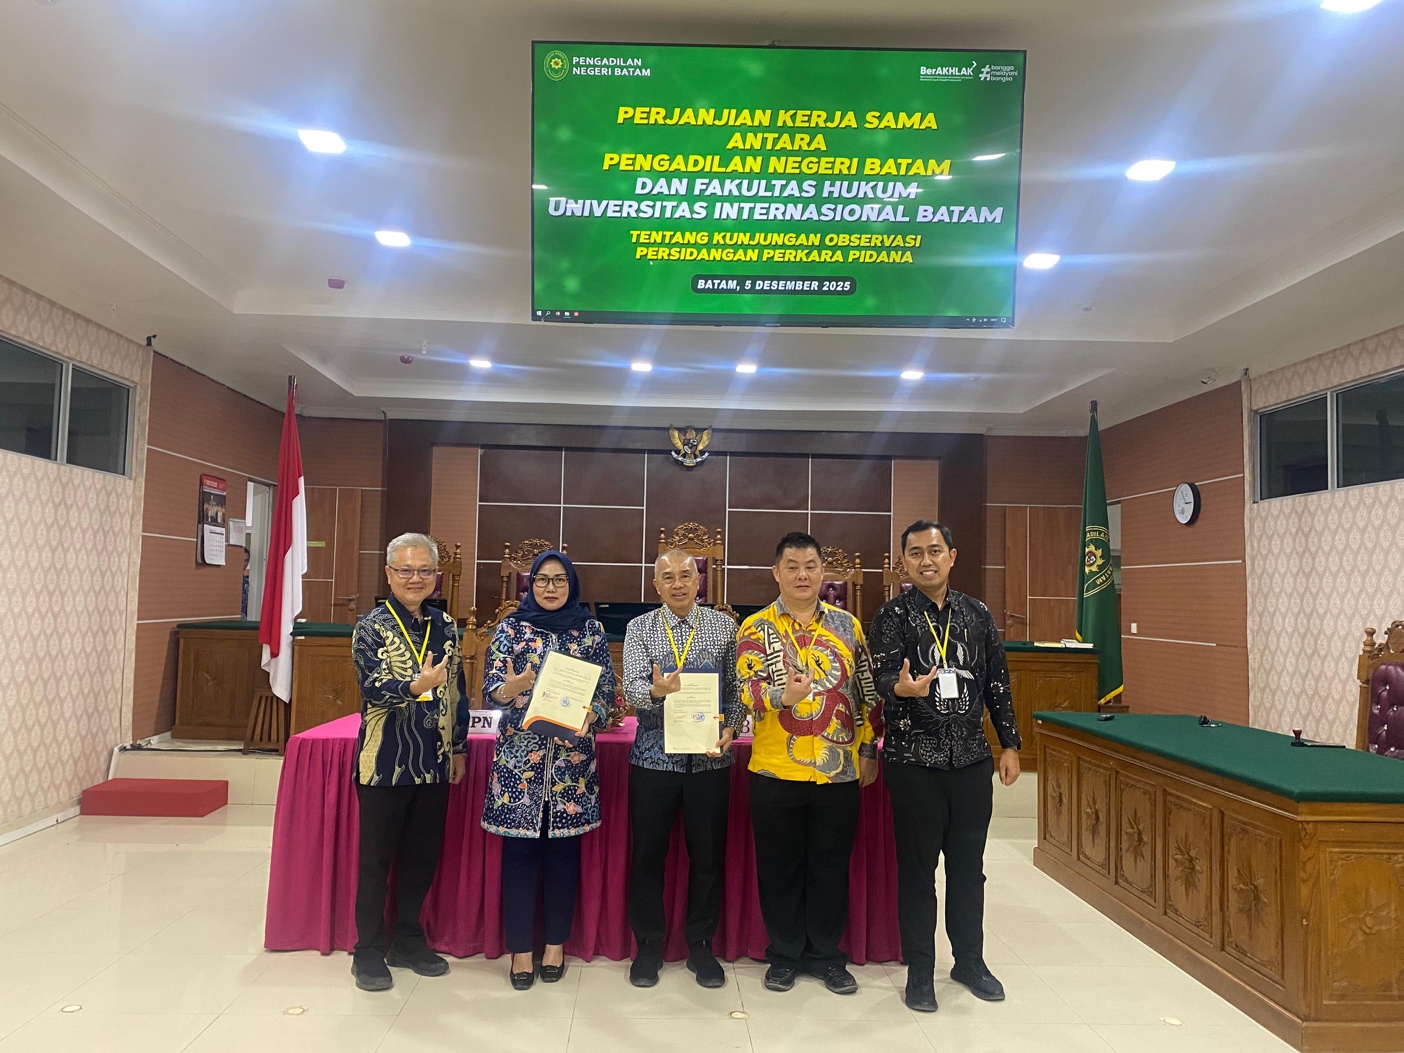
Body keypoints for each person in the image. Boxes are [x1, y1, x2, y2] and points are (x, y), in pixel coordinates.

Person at [869, 520, 1021, 1013]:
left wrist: (1011, 744)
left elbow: (996, 683)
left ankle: (969, 961)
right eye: (915, 553)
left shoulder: (977, 615)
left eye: (935, 551)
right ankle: (919, 970)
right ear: (903, 563)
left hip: (971, 761)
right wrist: (903, 688)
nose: (926, 560)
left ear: (952, 556)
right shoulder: (891, 616)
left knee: (968, 868)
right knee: (917, 871)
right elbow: (882, 675)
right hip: (914, 762)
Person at [735, 532, 881, 996]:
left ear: (823, 573)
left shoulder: (848, 626)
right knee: (779, 868)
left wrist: (868, 748)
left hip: (837, 768)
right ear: (776, 573)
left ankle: (827, 957)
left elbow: (867, 695)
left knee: (830, 867)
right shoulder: (753, 628)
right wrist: (784, 696)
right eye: (792, 566)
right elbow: (747, 692)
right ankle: (784, 955)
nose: (802, 574)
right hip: (777, 768)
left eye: (811, 566)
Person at [481, 550, 615, 990]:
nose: (551, 588)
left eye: (559, 580)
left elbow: (606, 692)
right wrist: (512, 687)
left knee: (563, 855)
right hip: (519, 765)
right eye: (542, 580)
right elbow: (490, 693)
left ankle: (555, 944)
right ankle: (521, 950)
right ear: (530, 585)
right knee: (519, 855)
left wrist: (590, 716)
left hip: (570, 767)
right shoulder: (511, 628)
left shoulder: (589, 629)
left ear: (572, 584)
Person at [622, 549, 745, 989]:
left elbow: (734, 692)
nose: (677, 583)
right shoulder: (641, 629)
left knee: (708, 858)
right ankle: (649, 947)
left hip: (710, 760)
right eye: (668, 577)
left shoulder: (723, 627)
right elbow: (631, 690)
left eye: (686, 575)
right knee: (648, 857)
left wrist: (732, 727)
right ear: (655, 585)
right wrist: (654, 692)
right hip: (655, 758)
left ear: (700, 581)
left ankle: (701, 946)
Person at [349, 532, 467, 992]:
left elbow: (456, 693)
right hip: (385, 763)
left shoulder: (444, 625)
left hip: (434, 762)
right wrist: (416, 685)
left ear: (436, 576)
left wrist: (458, 748)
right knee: (377, 861)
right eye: (406, 570)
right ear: (389, 574)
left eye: (424, 571)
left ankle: (408, 940)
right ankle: (368, 951)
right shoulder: (371, 626)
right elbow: (374, 687)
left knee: (421, 858)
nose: (415, 578)